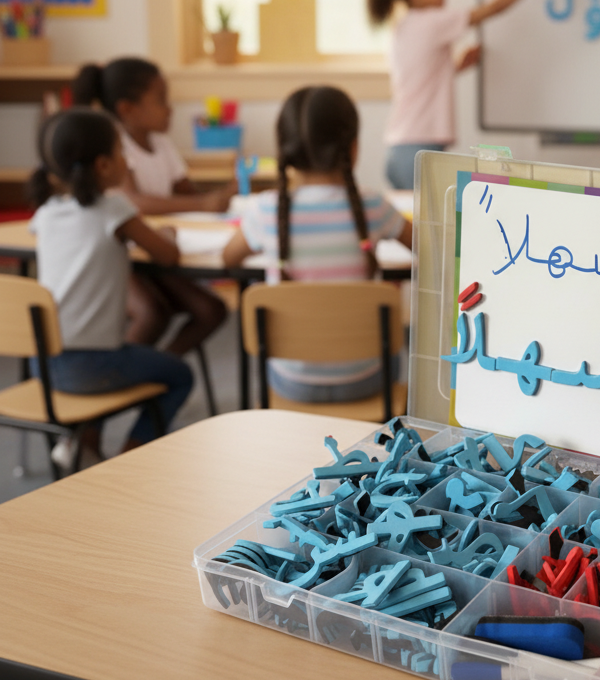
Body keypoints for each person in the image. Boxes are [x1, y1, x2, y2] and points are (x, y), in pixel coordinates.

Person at [222, 86, 412, 404]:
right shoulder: (373, 206)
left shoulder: (265, 210)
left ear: (285, 151)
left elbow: (229, 257)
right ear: (353, 147)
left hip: (293, 383)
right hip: (368, 378)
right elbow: (430, 245)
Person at [28, 109, 194, 467]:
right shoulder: (114, 209)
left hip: (42, 363)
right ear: (103, 165)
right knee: (180, 376)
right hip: (91, 364)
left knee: (122, 360)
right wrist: (168, 233)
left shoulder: (47, 212)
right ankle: (123, 463)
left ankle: (82, 444)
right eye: (122, 152)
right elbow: (167, 255)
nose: (127, 160)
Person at [367, 0, 564, 189]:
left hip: (398, 151)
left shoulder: (404, 27)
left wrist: (457, 67)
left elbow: (420, 79)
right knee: (436, 225)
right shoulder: (431, 21)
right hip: (420, 150)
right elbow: (493, 8)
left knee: (419, 225)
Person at [72, 59, 228, 357]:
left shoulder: (163, 144)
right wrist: (201, 204)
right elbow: (134, 201)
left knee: (209, 309)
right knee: (151, 313)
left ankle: (156, 374)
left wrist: (217, 198)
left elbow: (187, 195)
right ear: (126, 109)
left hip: (153, 251)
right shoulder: (113, 145)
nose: (170, 108)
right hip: (126, 256)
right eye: (161, 100)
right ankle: (123, 376)